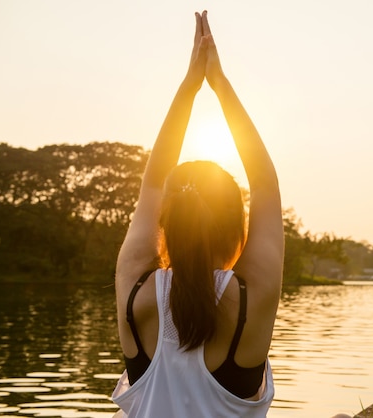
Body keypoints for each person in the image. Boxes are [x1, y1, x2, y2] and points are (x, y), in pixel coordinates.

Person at [111, 10, 284, 417]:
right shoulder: (249, 298)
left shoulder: (135, 292)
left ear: (164, 223)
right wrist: (219, 85)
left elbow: (151, 183)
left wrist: (190, 87)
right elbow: (265, 185)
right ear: (236, 228)